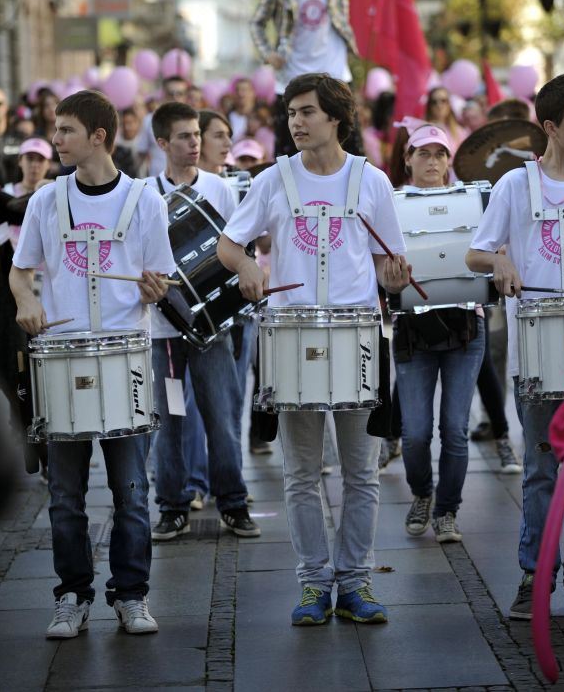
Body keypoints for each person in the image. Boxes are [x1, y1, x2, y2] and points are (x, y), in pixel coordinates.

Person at [218, 72, 410, 626]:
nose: (295, 122)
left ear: (335, 118)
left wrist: (394, 276)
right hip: (294, 334)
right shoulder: (274, 179)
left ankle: (355, 581)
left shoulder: (371, 181)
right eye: (291, 113)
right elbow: (230, 244)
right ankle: (312, 584)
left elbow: (386, 268)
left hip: (355, 335)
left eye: (306, 112)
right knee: (301, 473)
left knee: (361, 470)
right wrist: (250, 262)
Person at [9, 90, 174, 639]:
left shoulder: (144, 199)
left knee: (131, 491)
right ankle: (72, 595)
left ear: (98, 137)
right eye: (56, 130)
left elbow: (160, 277)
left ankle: (131, 595)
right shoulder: (45, 201)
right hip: (62, 357)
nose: (55, 140)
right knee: (65, 495)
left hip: (125, 354)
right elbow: (20, 270)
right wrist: (27, 301)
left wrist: (155, 290)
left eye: (65, 130)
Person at [466, 74, 564, 620]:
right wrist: (499, 260)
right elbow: (475, 253)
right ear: (549, 128)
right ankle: (533, 575)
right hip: (536, 352)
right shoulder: (514, 187)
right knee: (543, 469)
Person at [147, 101, 259, 542]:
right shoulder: (145, 194)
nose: (195, 143)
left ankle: (233, 502)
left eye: (197, 135)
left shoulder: (221, 189)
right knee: (171, 419)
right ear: (162, 143)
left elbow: (240, 248)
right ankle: (172, 505)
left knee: (223, 416)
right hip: (165, 333)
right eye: (184, 136)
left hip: (214, 328)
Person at [391, 125, 486, 543]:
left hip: (466, 329)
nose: (432, 161)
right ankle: (422, 494)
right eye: (423, 153)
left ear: (449, 161)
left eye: (440, 154)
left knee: (455, 429)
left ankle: (447, 511)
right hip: (414, 331)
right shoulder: (391, 202)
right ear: (408, 159)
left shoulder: (470, 200)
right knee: (413, 433)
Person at [250, 0, 358, 157]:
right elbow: (256, 23)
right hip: (293, 75)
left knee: (348, 145)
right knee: (290, 151)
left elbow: (343, 19)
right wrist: (268, 54)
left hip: (334, 74)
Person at [136, 76, 189, 176]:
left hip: (186, 185)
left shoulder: (194, 122)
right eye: (171, 93)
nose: (175, 97)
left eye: (180, 93)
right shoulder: (149, 120)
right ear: (164, 94)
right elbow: (141, 154)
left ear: (185, 96)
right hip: (156, 185)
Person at [424, 86, 467, 156]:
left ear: (449, 104)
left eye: (443, 101)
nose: (439, 105)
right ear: (429, 106)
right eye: (434, 102)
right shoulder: (422, 130)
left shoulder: (460, 132)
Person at [198, 109, 233, 175]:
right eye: (219, 136)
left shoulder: (241, 180)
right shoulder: (177, 181)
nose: (229, 143)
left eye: (228, 136)